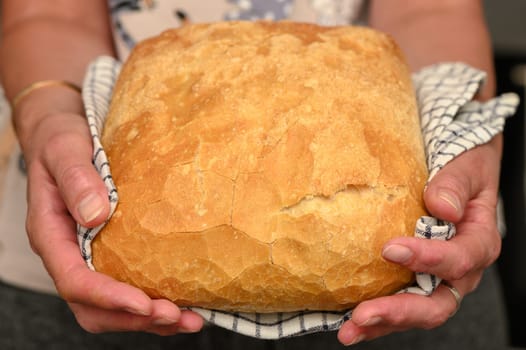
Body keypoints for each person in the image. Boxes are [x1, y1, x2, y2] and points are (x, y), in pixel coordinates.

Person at [0, 0, 510, 348]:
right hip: (69, 250)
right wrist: (45, 112)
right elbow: (50, 12)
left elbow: (430, 8)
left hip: (424, 271)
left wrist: (463, 130)